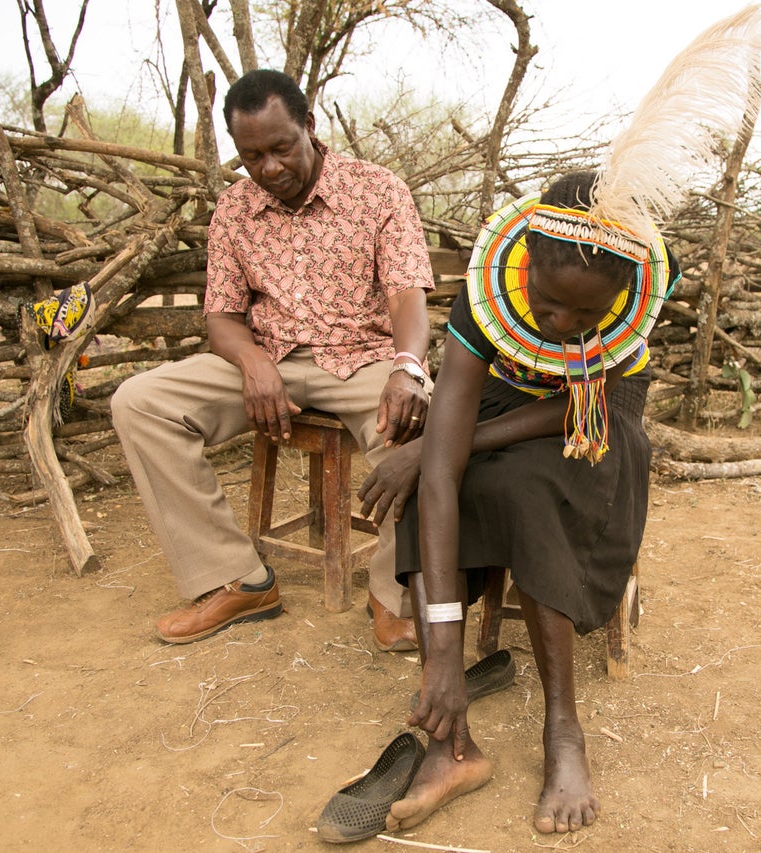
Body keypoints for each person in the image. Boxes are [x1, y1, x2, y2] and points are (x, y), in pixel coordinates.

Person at [356, 170, 678, 834]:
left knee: (526, 490)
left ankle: (563, 729)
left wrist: (453, 439)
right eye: (550, 302)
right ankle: (451, 741)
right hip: (507, 400)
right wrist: (445, 654)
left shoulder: (638, 285)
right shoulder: (486, 300)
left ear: (615, 299)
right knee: (428, 492)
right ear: (526, 263)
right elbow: (443, 475)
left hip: (595, 417)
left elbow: (581, 405)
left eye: (583, 315)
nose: (562, 324)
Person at [111, 69, 434, 651]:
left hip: (364, 357)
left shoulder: (378, 189)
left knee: (419, 429)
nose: (268, 169)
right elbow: (221, 318)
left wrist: (408, 366)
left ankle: (393, 597)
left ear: (310, 126)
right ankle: (238, 579)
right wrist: (253, 363)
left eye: (281, 148)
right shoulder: (234, 209)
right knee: (140, 403)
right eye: (251, 156)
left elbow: (408, 294)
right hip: (271, 359)